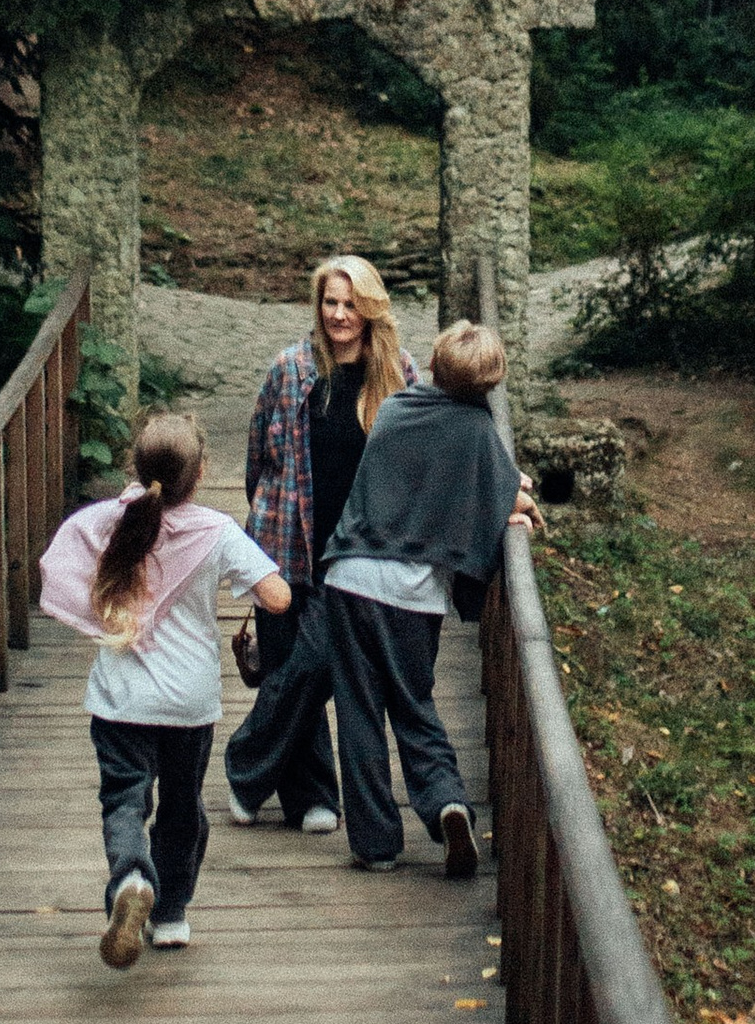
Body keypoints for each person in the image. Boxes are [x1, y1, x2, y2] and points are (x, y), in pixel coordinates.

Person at [38, 412, 289, 971]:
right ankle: (171, 915)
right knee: (181, 805)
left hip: (121, 700)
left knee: (124, 800)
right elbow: (277, 598)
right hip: (189, 703)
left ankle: (130, 878)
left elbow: (57, 570)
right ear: (200, 475)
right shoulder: (217, 531)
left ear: (136, 467)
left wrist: (105, 610)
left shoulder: (107, 521)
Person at [318, 318, 534, 876]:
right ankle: (446, 802)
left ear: (434, 365)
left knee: (360, 712)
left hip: (350, 577)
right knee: (413, 704)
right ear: (490, 383)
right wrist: (519, 508)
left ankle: (376, 845)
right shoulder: (480, 435)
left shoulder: (393, 410)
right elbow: (497, 497)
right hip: (413, 595)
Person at [225, 255, 416, 832]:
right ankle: (313, 800)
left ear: (370, 309)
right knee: (286, 663)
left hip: (357, 554)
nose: (338, 314)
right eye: (330, 302)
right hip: (285, 542)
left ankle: (243, 767)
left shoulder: (399, 374)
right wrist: (268, 516)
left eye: (350, 303)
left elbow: (425, 454)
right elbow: (257, 456)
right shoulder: (289, 368)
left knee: (312, 667)